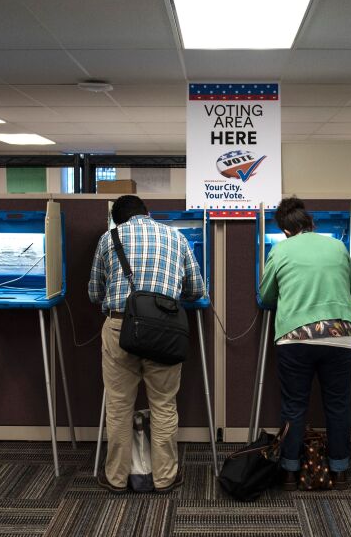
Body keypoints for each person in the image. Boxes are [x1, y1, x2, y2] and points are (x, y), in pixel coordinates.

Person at [88, 195, 205, 494]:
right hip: (165, 330)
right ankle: (165, 478)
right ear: (148, 213)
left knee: (118, 405)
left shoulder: (107, 238)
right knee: (164, 404)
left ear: (117, 219)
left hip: (119, 327)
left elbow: (94, 292)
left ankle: (115, 478)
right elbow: (196, 289)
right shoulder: (177, 237)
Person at [259, 197, 351, 491]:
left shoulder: (280, 249)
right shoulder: (338, 246)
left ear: (285, 229)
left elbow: (266, 296)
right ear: (311, 222)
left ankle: (290, 471)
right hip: (341, 333)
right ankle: (339, 470)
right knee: (338, 405)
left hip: (296, 336)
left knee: (294, 405)